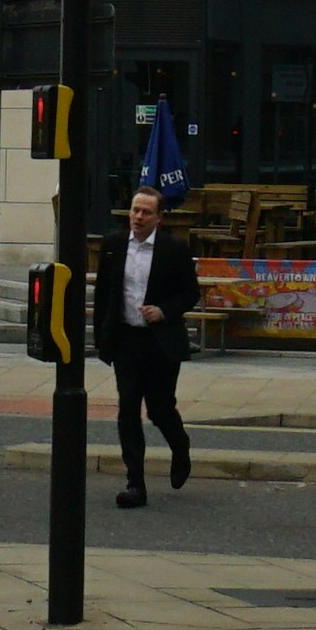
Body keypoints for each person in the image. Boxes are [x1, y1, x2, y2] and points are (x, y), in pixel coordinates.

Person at [108, 184, 203, 505]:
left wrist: (164, 311)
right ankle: (135, 483)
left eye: (146, 212)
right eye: (135, 210)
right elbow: (107, 292)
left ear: (159, 218)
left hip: (160, 342)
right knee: (128, 409)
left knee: (160, 409)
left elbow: (190, 293)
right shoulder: (114, 245)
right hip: (127, 340)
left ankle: (180, 446)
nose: (138, 217)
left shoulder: (174, 249)